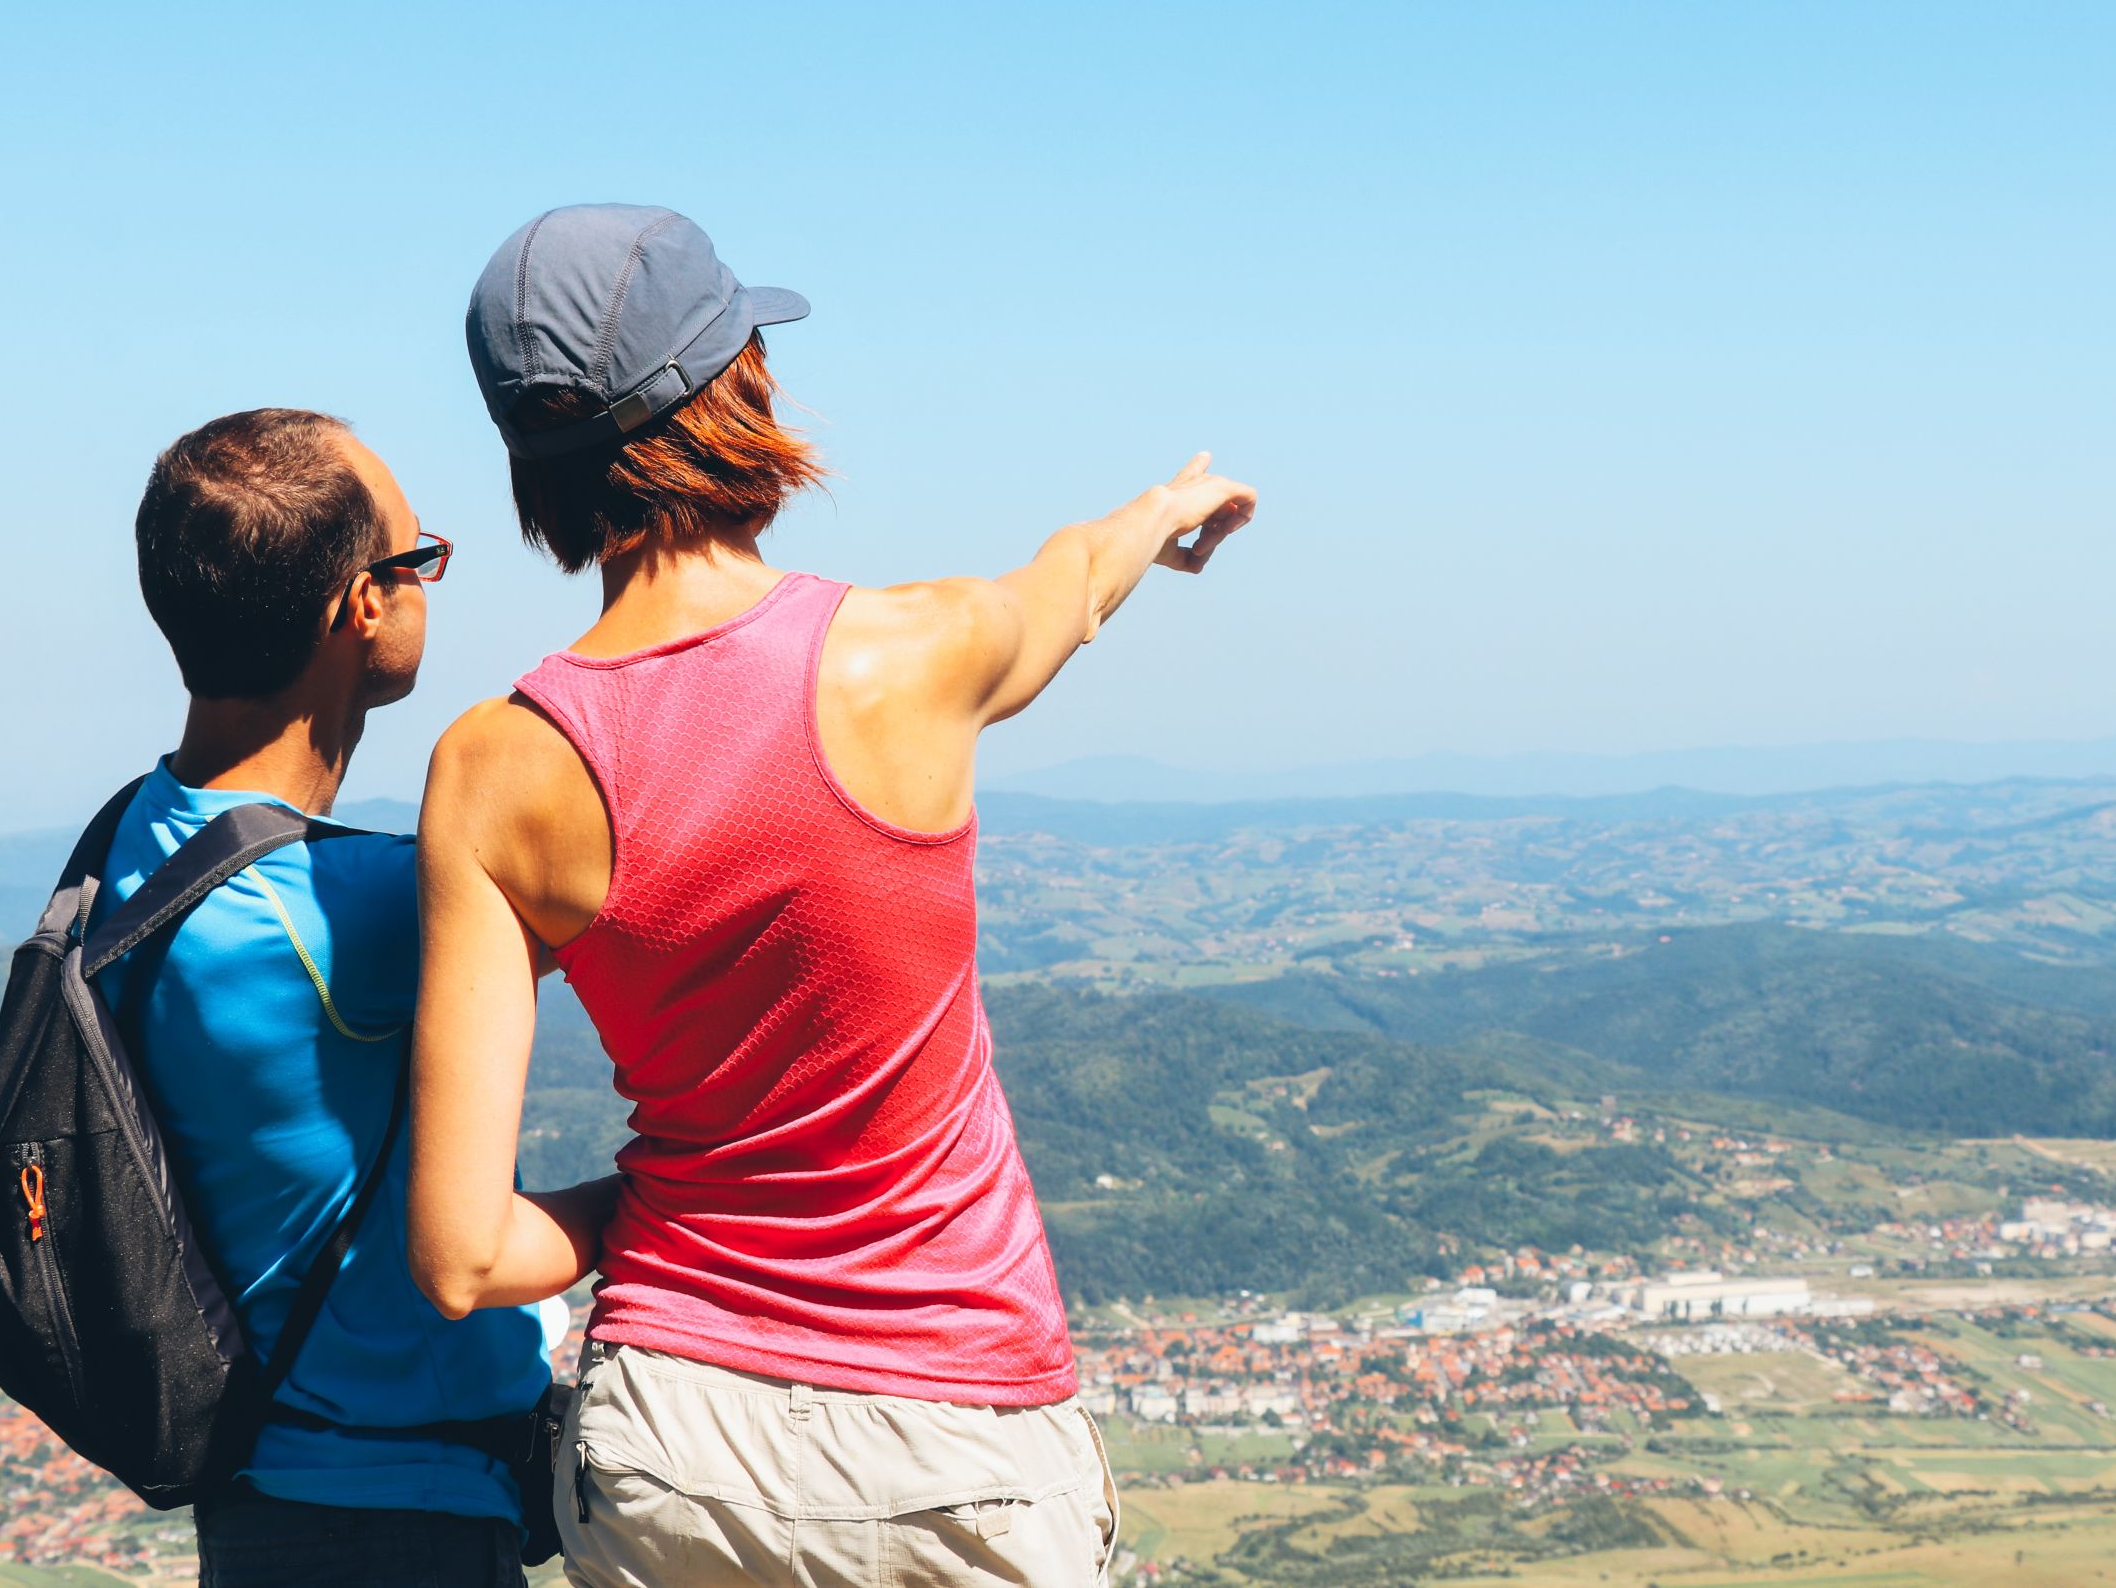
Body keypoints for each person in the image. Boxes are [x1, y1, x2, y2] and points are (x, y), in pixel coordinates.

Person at [405, 204, 1257, 1587]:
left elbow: (463, 1254)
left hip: (672, 1444)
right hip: (954, 1440)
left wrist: (666, 1205)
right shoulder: (910, 656)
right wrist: (1160, 513)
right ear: (732, 393)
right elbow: (1064, 583)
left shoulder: (494, 769)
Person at [98, 409, 611, 1588]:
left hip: (259, 1493)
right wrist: (653, 1197)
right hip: (393, 1514)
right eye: (418, 556)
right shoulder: (347, 913)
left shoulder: (132, 840)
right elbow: (660, 878)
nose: (432, 579)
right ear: (361, 605)